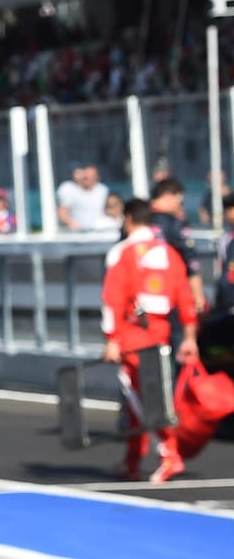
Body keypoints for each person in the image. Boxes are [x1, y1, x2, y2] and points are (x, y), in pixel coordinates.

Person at [101, 198, 199, 483]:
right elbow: (185, 299)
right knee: (143, 397)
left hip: (132, 333)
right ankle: (132, 461)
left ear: (129, 219)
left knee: (139, 396)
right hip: (161, 332)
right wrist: (190, 336)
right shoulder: (169, 253)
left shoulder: (123, 253)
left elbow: (112, 299)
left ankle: (169, 453)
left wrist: (111, 338)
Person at [150, 177, 207, 315]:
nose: (180, 205)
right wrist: (198, 296)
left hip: (142, 293)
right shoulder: (175, 223)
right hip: (170, 293)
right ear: (169, 196)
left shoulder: (136, 220)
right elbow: (190, 261)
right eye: (179, 200)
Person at [57, 164, 115, 231]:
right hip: (77, 232)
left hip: (100, 230)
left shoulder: (103, 190)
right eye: (85, 177)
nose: (87, 179)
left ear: (97, 178)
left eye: (91, 177)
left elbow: (110, 209)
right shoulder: (68, 189)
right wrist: (72, 223)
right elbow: (62, 212)